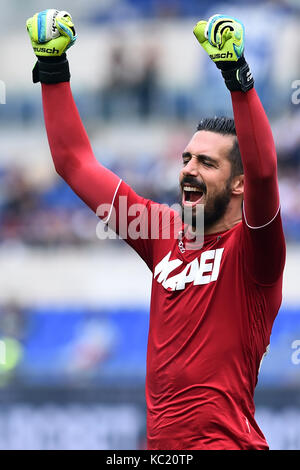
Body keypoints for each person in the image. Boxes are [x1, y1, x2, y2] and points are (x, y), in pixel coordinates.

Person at [26, 10, 286, 450]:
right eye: (186, 158)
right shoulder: (160, 231)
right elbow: (76, 164)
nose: (188, 170)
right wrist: (53, 69)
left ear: (238, 183)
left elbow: (264, 174)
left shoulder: (255, 250)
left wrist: (237, 78)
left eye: (206, 162)